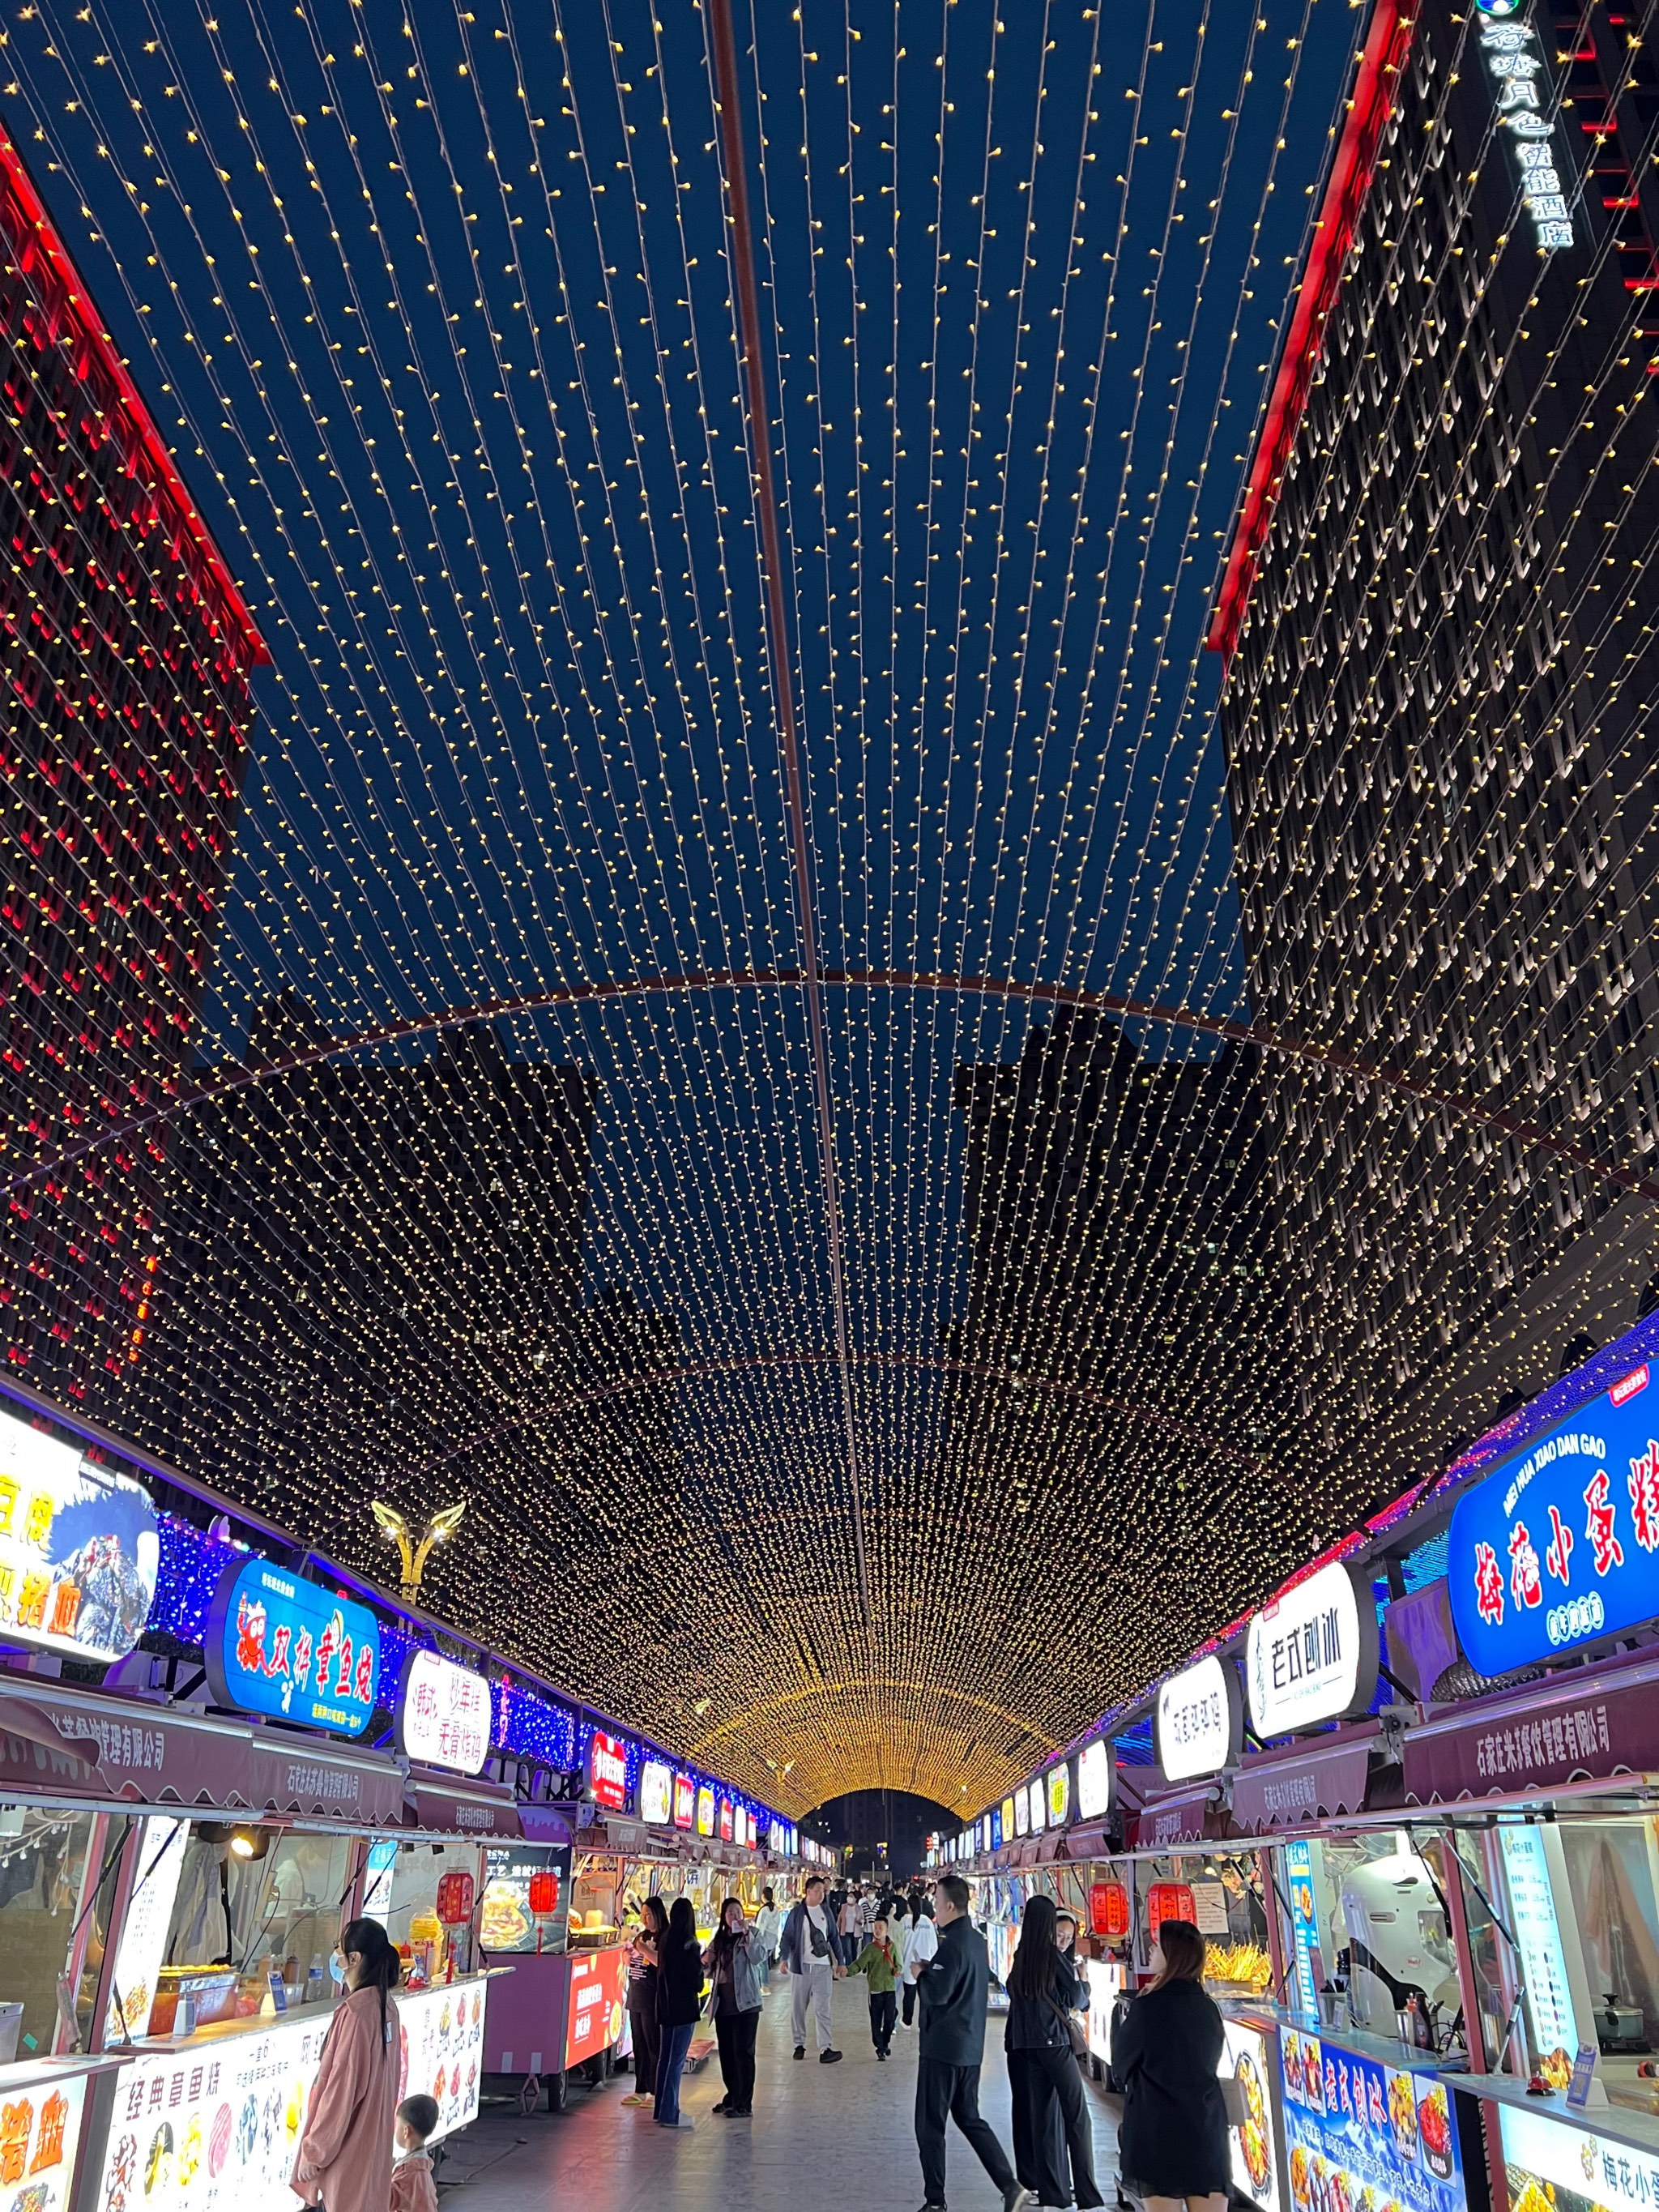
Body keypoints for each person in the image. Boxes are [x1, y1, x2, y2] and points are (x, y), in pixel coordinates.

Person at [915, 1873, 1034, 2212]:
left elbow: (937, 1993)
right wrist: (933, 1969)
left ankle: (935, 2201)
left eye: (937, 1902)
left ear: (951, 1906)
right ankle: (1009, 2185)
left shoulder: (953, 1943)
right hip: (970, 2047)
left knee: (929, 2124)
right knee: (968, 2116)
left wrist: (921, 1974)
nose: (935, 1907)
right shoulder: (976, 1940)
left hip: (943, 2049)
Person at [1111, 1919, 1230, 2212]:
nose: (1151, 1950)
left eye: (1157, 1945)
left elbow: (1121, 2068)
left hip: (1156, 2133)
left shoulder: (1147, 2007)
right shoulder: (1208, 2008)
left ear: (1174, 1956)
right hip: (1204, 2132)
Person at [291, 1919, 401, 2212]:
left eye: (338, 1948)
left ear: (354, 1959)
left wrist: (315, 2150)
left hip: (349, 2149)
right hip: (373, 2145)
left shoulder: (357, 2013)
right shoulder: (386, 2005)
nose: (336, 1956)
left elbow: (341, 2090)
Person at [1004, 1895, 1106, 2210]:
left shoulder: (1022, 1955)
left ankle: (1054, 2196)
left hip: (1030, 2048)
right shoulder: (1052, 1956)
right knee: (1077, 2118)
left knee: (1045, 2121)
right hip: (1056, 2046)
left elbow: (1013, 1991)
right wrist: (1084, 1983)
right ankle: (1088, 2197)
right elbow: (1077, 1999)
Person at [704, 1896, 766, 2117]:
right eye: (730, 1913)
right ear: (724, 1917)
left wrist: (747, 1935)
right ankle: (732, 2095)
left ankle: (743, 2104)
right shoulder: (719, 1939)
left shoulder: (753, 1934)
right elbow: (707, 1969)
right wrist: (706, 1960)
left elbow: (758, 1957)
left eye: (738, 1912)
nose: (735, 1916)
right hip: (723, 2005)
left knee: (744, 2053)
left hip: (747, 2004)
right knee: (727, 2054)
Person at [779, 1873, 844, 2061]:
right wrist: (784, 1958)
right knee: (798, 2008)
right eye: (818, 1890)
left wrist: (841, 1961)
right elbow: (787, 1937)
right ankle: (799, 2044)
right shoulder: (797, 1913)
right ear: (808, 1892)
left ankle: (825, 2048)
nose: (821, 1894)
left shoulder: (826, 1911)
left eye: (823, 1891)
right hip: (801, 1967)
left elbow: (834, 1937)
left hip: (823, 1968)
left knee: (823, 2008)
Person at [654, 1895, 706, 2129]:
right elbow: (696, 1982)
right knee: (676, 2061)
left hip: (665, 2006)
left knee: (665, 2059)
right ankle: (670, 2114)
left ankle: (661, 2109)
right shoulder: (690, 1944)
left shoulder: (665, 1940)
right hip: (684, 2008)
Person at [621, 1895, 667, 2108]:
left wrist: (643, 1949)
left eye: (648, 1915)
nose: (644, 1919)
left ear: (658, 1914)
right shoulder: (641, 1936)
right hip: (636, 1996)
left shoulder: (665, 1936)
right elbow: (629, 1960)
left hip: (652, 1997)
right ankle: (640, 2089)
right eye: (643, 1914)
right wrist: (629, 1954)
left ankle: (656, 2091)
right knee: (638, 2044)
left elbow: (661, 1961)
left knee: (653, 2045)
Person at [850, 1912, 903, 2059]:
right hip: (876, 1990)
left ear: (887, 1930)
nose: (877, 1931)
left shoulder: (892, 1947)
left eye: (880, 1928)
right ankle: (880, 2048)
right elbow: (859, 1964)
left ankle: (885, 2043)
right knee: (876, 2020)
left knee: (890, 2019)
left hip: (890, 1988)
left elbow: (898, 1963)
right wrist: (847, 1971)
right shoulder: (870, 1949)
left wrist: (897, 1970)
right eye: (875, 1928)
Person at [389, 2094, 438, 2212]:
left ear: (406, 2131)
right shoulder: (422, 2165)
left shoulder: (409, 2172)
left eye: (397, 2125)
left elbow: (387, 2200)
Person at [901, 1891, 937, 2030]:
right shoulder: (927, 1921)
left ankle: (907, 2021)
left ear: (909, 1906)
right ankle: (925, 2022)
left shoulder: (905, 1921)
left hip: (908, 1963)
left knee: (909, 1994)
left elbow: (900, 1942)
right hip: (926, 1963)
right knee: (924, 1996)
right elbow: (933, 1943)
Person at [755, 1887, 783, 1993]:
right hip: (772, 1939)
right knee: (764, 1962)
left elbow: (760, 1927)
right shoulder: (775, 1909)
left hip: (764, 1939)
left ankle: (764, 1986)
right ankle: (764, 1986)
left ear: (763, 1896)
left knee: (761, 1963)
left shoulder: (764, 1910)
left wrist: (756, 1939)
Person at [838, 1886, 860, 1967]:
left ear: (855, 1899)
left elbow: (862, 1918)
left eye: (851, 1897)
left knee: (854, 1950)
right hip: (845, 1931)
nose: (849, 1898)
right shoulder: (844, 1907)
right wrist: (838, 1927)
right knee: (848, 1950)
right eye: (849, 1896)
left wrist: (860, 1921)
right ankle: (848, 1966)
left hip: (855, 1932)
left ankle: (853, 1965)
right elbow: (840, 1918)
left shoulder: (858, 1908)